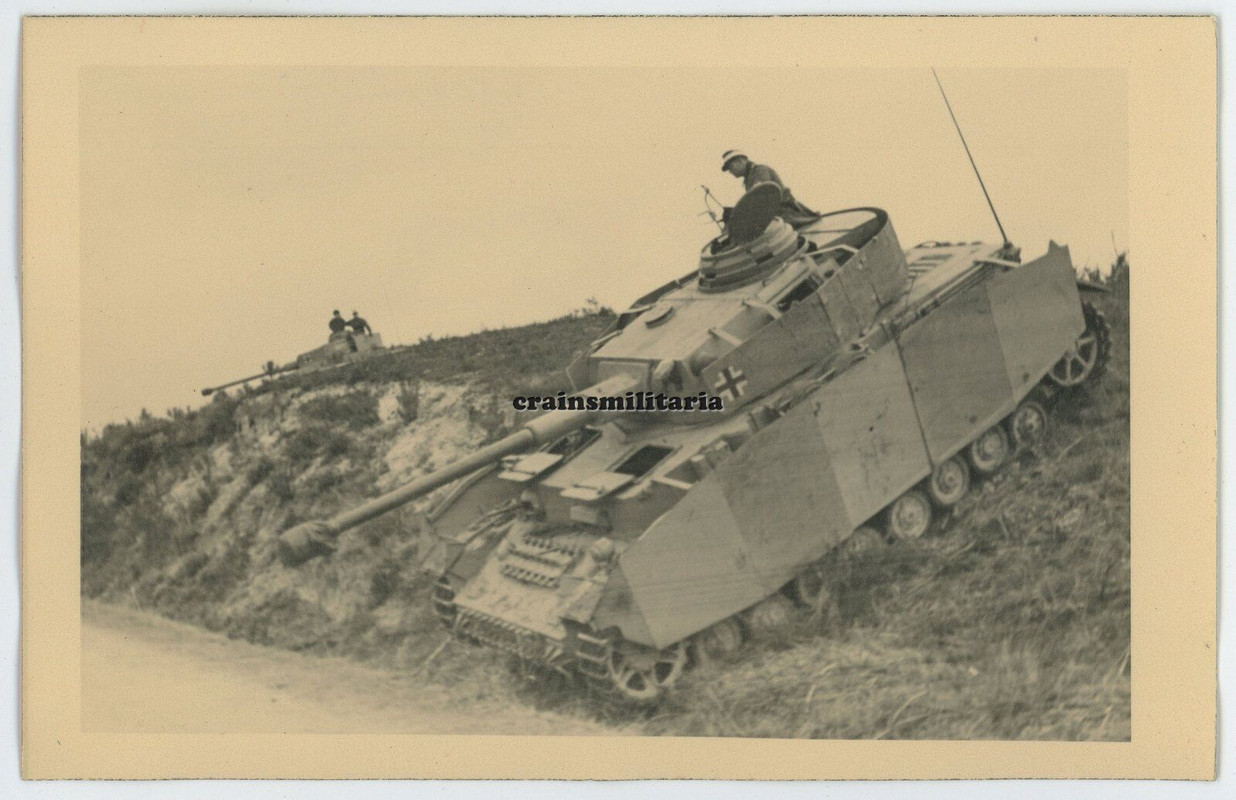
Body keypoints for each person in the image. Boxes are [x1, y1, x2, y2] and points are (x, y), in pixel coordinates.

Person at [720, 149, 821, 229]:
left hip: (788, 216)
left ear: (740, 161)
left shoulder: (759, 171)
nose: (730, 172)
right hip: (778, 219)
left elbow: (761, 198)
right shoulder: (749, 178)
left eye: (731, 167)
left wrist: (738, 212)